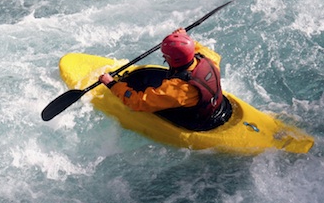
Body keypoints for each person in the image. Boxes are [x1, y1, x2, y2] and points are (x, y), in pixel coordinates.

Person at [98, 28, 232, 131]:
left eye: (165, 56)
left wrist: (112, 84)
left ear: (173, 60)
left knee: (142, 100)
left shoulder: (178, 89)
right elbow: (196, 48)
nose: (163, 57)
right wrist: (183, 38)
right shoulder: (209, 58)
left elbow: (139, 102)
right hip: (217, 106)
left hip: (197, 119)